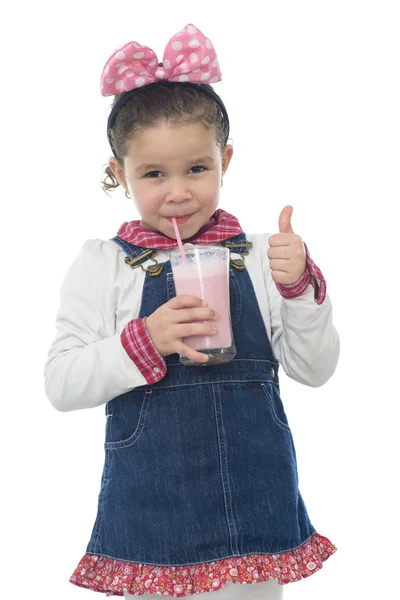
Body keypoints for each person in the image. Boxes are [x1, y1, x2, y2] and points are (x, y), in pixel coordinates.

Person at [44, 23, 340, 599]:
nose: (178, 192)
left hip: (256, 497)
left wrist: (299, 288)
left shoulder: (258, 257)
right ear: (118, 173)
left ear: (225, 160)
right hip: (154, 509)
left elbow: (316, 369)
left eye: (197, 169)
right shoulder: (104, 265)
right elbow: (60, 383)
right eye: (153, 174)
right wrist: (145, 340)